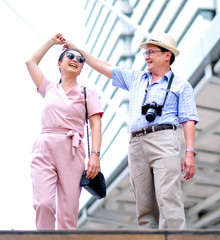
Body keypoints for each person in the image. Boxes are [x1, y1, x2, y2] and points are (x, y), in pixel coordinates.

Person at [65, 32, 198, 229]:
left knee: (168, 199)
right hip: (136, 144)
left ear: (167, 55)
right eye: (146, 53)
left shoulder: (181, 85)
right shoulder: (136, 78)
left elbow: (188, 119)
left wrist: (189, 152)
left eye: (151, 52)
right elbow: (105, 67)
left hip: (164, 139)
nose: (146, 57)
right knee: (144, 207)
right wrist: (76, 49)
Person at [25, 33, 103, 230]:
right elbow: (30, 61)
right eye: (70, 56)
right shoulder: (48, 88)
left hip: (72, 150)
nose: (75, 59)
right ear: (59, 64)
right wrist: (52, 42)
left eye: (80, 59)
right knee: (43, 204)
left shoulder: (87, 93)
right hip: (44, 148)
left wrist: (95, 155)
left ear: (82, 68)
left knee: (68, 214)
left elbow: (95, 125)